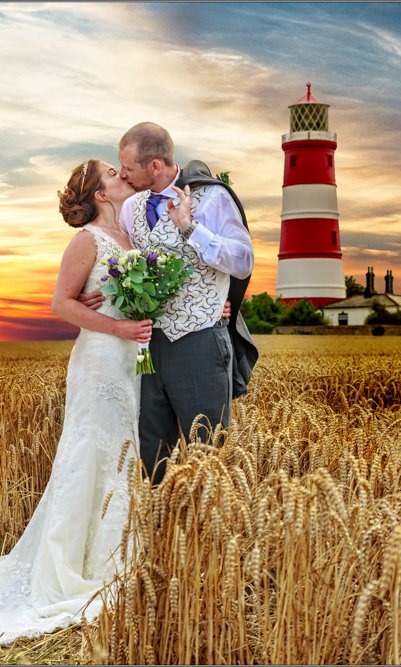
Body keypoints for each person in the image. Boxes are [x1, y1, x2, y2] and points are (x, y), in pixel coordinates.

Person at [0, 160, 148, 644]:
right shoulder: (87, 240)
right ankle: (79, 565)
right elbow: (61, 304)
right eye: (110, 171)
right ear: (100, 193)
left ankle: (121, 553)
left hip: (134, 360)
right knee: (92, 453)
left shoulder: (133, 236)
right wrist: (118, 325)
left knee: (126, 453)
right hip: (102, 360)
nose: (120, 172)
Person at [83, 122, 256, 485]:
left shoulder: (213, 199)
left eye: (128, 166)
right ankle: (157, 533)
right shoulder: (132, 208)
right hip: (147, 351)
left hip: (200, 344)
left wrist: (191, 229)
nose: (124, 173)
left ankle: (206, 537)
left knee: (207, 458)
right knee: (151, 460)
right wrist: (92, 292)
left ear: (156, 166)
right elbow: (119, 261)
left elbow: (243, 261)